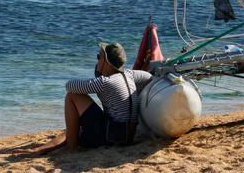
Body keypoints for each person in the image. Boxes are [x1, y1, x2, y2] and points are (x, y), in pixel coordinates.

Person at [13, 42, 152, 155]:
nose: (97, 58)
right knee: (76, 129)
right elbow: (149, 77)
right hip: (127, 136)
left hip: (112, 138)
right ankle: (39, 150)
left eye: (100, 57)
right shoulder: (129, 74)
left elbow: (70, 86)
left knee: (72, 96)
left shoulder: (105, 82)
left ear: (108, 63)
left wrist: (95, 82)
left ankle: (71, 148)